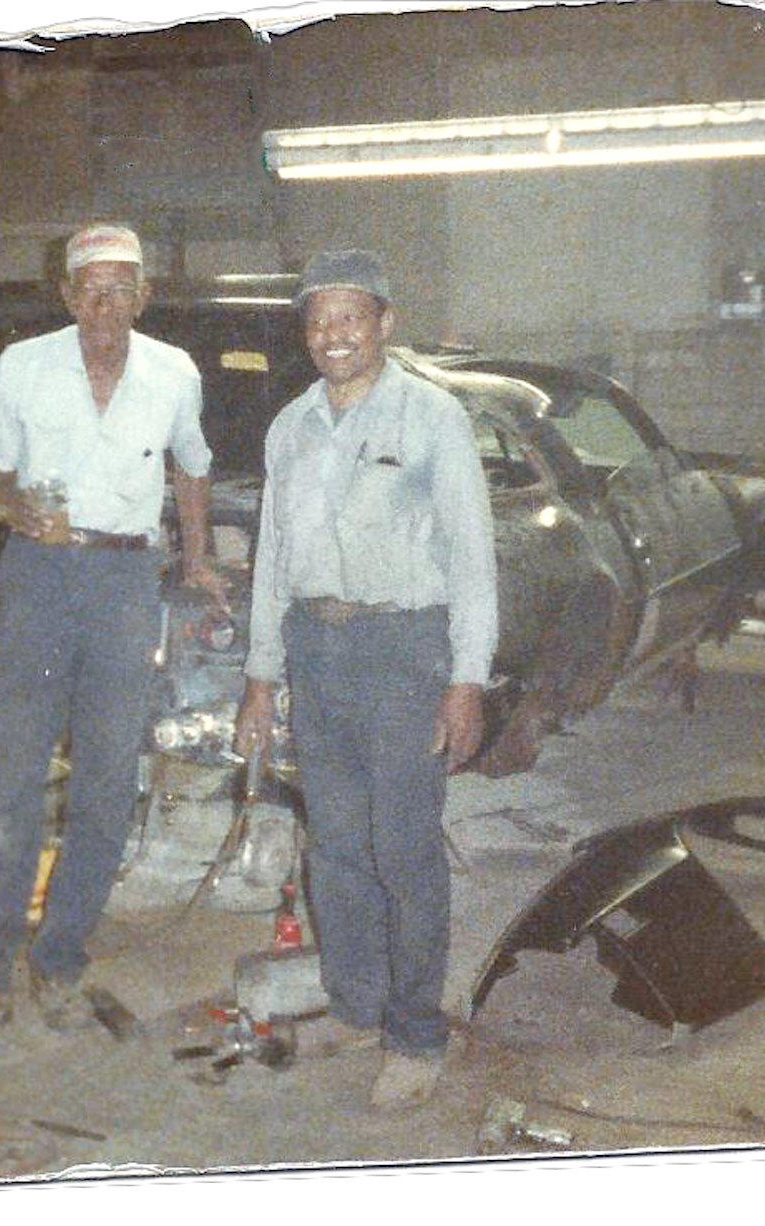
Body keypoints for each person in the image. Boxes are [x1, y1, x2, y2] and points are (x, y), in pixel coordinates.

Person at [0, 222, 227, 1044]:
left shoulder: (174, 372)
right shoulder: (22, 366)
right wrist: (8, 505)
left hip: (125, 578)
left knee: (108, 779)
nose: (104, 303)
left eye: (121, 288)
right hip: (38, 574)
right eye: (89, 288)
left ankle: (58, 956)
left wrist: (197, 557)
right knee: (17, 776)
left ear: (144, 296)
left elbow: (193, 466)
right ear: (67, 296)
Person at [233, 249, 497, 1110]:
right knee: (337, 846)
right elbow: (273, 557)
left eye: (350, 317)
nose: (332, 335)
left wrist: (467, 680)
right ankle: (357, 1006)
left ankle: (417, 1035)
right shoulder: (290, 427)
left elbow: (471, 558)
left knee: (404, 850)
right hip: (317, 649)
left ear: (384, 322)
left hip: (404, 652)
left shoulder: (432, 418)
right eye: (317, 320)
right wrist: (261, 675)